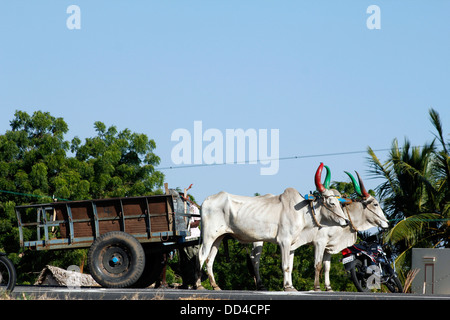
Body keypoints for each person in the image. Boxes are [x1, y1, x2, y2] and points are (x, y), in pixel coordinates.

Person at [179, 195, 201, 289]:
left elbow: (196, 223)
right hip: (182, 238)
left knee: (193, 260)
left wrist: (186, 224)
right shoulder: (179, 208)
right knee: (183, 262)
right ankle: (185, 283)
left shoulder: (193, 208)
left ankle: (196, 282)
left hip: (193, 237)